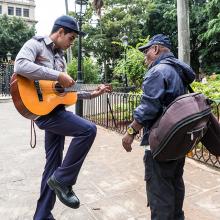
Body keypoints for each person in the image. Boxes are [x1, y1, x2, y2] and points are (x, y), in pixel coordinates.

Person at [14, 15, 111, 220]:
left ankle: (42, 216)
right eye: (71, 38)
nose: (72, 42)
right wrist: (57, 75)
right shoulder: (36, 44)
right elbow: (20, 66)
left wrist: (93, 92)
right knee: (88, 130)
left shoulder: (60, 57)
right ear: (60, 33)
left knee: (52, 164)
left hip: (55, 110)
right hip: (42, 112)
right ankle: (62, 180)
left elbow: (65, 90)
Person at [122, 34, 195, 220]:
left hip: (160, 142)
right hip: (178, 140)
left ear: (155, 49)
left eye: (147, 51)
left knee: (159, 191)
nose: (145, 56)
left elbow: (148, 107)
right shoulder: (178, 71)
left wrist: (130, 132)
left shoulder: (158, 71)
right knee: (175, 183)